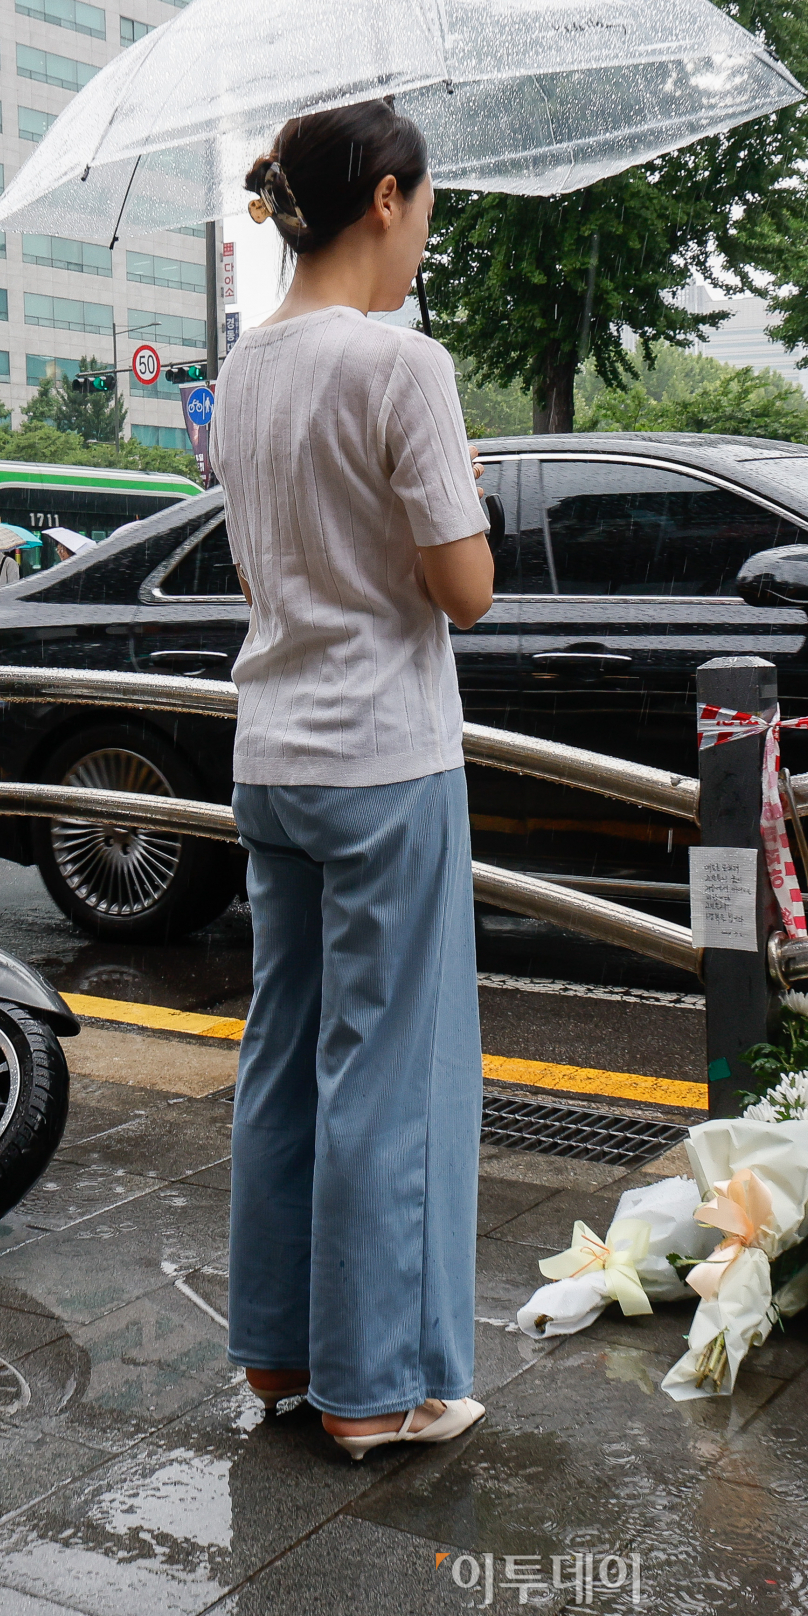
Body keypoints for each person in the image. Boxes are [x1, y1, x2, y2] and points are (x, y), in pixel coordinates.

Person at [210, 100, 494, 1461]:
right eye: (427, 203)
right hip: (387, 758)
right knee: (392, 1075)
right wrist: (459, 490)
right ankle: (381, 1387)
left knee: (285, 1057)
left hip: (273, 755)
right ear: (386, 198)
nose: (427, 227)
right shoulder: (403, 364)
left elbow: (268, 564)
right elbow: (465, 590)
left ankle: (277, 1353)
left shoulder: (242, 369)